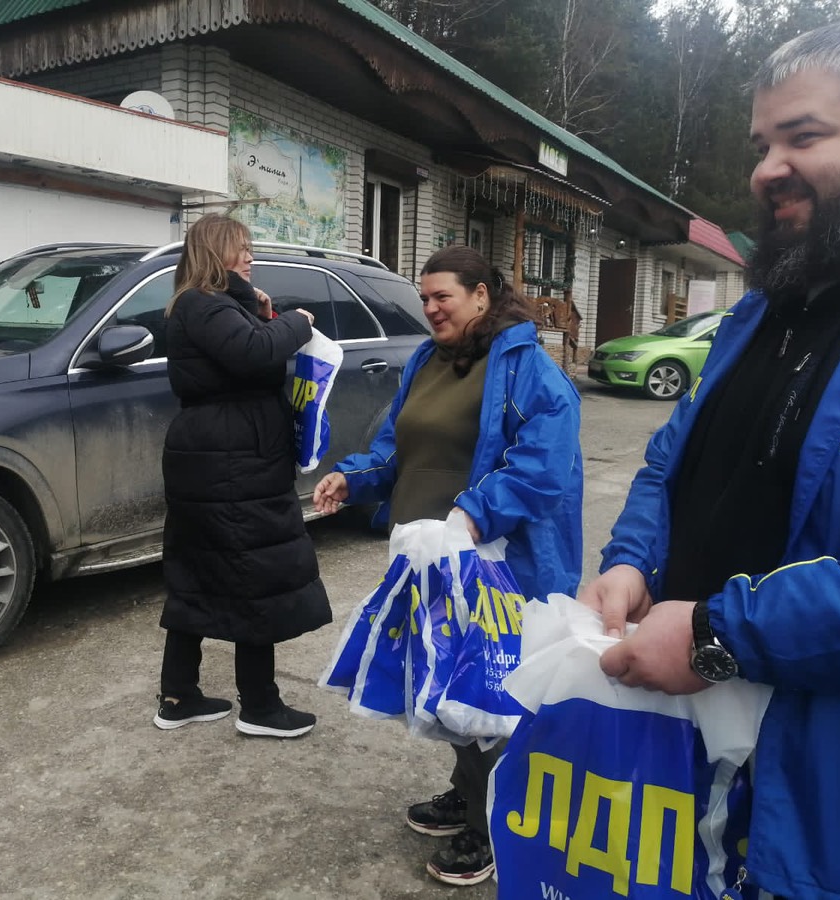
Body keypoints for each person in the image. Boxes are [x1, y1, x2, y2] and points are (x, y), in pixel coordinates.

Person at [578, 13, 840, 899]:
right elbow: (671, 460)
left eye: (803, 137)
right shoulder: (762, 308)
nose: (764, 169)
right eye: (760, 144)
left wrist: (720, 636)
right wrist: (631, 559)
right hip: (696, 757)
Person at [313, 245, 583, 886]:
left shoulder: (528, 370)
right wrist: (355, 479)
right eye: (425, 297)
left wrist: (473, 516)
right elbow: (398, 445)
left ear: (481, 295)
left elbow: (542, 468)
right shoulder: (427, 360)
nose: (431, 308)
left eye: (443, 297)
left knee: (493, 695)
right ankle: (468, 794)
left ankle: (495, 826)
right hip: (429, 558)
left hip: (498, 563)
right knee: (450, 685)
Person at [154, 214, 332, 739]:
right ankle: (260, 707)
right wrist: (297, 322)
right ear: (215, 252)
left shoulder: (209, 304)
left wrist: (258, 310)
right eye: (241, 248)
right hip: (230, 460)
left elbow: (242, 351)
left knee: (199, 573)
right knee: (254, 573)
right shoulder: (203, 303)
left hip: (215, 455)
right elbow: (255, 353)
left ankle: (179, 696)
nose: (251, 257)